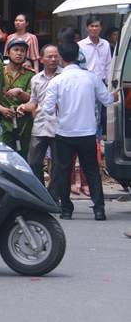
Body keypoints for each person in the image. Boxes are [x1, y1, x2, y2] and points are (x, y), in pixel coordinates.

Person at [43, 40, 119, 221]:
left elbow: (46, 109)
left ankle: (67, 209)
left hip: (65, 133)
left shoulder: (57, 81)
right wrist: (115, 94)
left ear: (60, 57)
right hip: (87, 133)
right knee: (92, 170)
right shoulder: (91, 77)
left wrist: (59, 107)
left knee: (63, 170)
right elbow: (107, 100)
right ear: (78, 57)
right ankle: (99, 210)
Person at [17, 44, 61, 201]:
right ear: (41, 59)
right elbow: (34, 102)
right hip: (40, 125)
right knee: (34, 162)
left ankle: (53, 196)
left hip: (59, 127)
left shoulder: (64, 77)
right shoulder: (36, 79)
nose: (53, 59)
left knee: (57, 165)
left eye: (56, 56)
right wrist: (23, 106)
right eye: (49, 56)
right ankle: (41, 194)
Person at [0, 38, 34, 159]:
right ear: (8, 52)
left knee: (24, 155)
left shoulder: (30, 74)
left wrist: (19, 91)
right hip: (4, 120)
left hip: (23, 121)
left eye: (22, 51)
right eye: (16, 50)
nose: (19, 53)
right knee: (5, 155)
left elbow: (31, 98)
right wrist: (1, 109)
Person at [78, 15, 112, 143]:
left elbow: (108, 64)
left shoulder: (105, 44)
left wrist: (109, 84)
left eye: (97, 26)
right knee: (87, 115)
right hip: (86, 85)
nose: (94, 28)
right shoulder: (81, 45)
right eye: (91, 26)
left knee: (99, 118)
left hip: (101, 84)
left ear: (101, 28)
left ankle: (96, 145)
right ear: (87, 28)